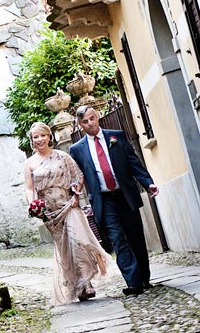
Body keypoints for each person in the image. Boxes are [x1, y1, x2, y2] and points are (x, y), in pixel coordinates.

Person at [69, 106, 159, 296]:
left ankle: (144, 277)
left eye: (92, 118)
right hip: (103, 199)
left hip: (125, 195)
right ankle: (133, 282)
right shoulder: (76, 149)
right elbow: (78, 175)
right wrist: (75, 188)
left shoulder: (116, 136)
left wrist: (148, 183)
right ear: (80, 125)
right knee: (118, 239)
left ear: (97, 116)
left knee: (135, 237)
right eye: (85, 121)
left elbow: (134, 162)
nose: (90, 123)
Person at [24, 122, 113, 305]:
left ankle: (87, 283)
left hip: (69, 205)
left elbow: (78, 176)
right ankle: (77, 287)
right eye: (35, 137)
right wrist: (33, 204)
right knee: (65, 249)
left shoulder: (62, 156)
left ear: (49, 137)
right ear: (32, 141)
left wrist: (75, 196)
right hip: (50, 213)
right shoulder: (30, 163)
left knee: (78, 242)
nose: (39, 140)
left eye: (43, 135)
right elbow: (29, 188)